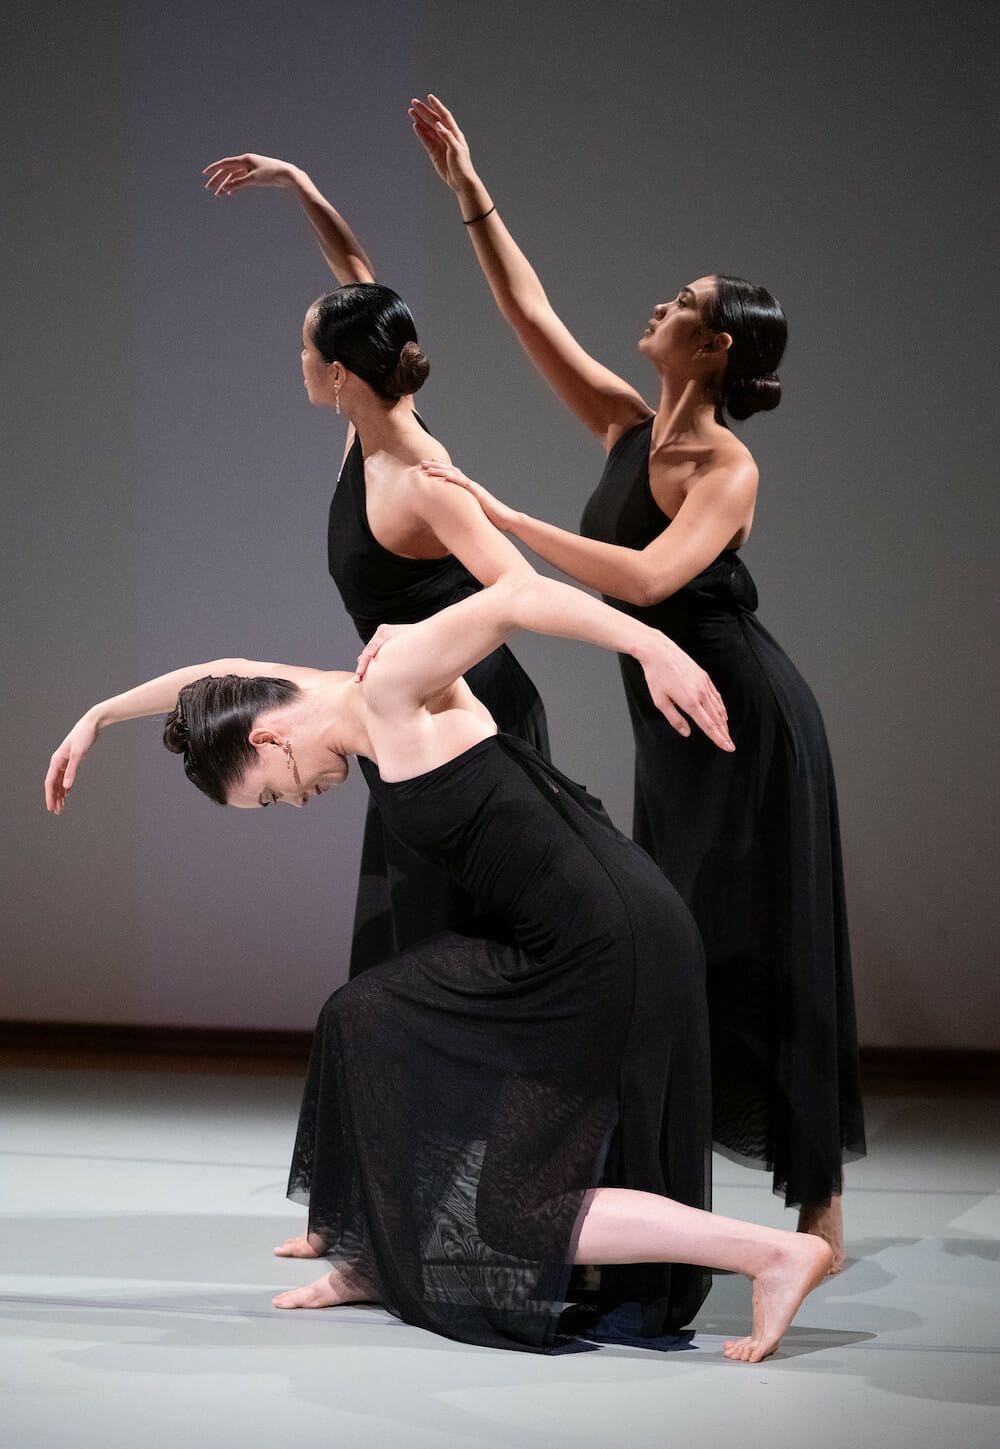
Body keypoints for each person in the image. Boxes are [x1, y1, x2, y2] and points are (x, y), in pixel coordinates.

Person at [45, 569, 833, 1359]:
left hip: (608, 936)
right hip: (567, 929)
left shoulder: (386, 686)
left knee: (518, 1210)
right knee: (365, 1012)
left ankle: (772, 1254)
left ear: (269, 738)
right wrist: (101, 715)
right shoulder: (320, 695)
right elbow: (213, 678)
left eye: (273, 795)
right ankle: (378, 1256)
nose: (298, 803)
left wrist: (651, 643)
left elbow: (518, 596)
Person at [410, 95, 865, 1271]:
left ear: (712, 349)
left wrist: (503, 519)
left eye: (682, 306)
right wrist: (470, 186)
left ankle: (815, 1209)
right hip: (668, 716)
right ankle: (652, 1183)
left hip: (740, 720)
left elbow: (652, 574)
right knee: (670, 937)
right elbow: (530, 311)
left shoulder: (725, 461)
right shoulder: (626, 427)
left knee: (763, 936)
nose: (658, 308)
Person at [201, 153, 549, 978]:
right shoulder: (373, 421)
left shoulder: (418, 477)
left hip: (469, 717)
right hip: (410, 710)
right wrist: (302, 186)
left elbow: (517, 588)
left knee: (451, 947)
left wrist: (422, 647)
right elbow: (356, 277)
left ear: (341, 374)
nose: (297, 359)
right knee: (414, 945)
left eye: (302, 347)